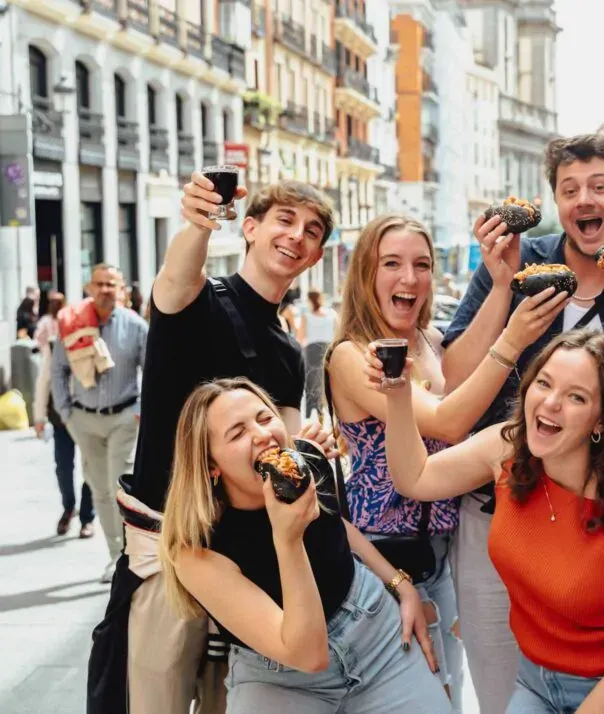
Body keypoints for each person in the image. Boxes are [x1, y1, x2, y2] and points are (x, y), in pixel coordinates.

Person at [439, 133, 604, 712]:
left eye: (599, 187)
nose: (583, 200)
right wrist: (502, 296)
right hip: (502, 508)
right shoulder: (519, 262)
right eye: (569, 190)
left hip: (600, 523)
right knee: (501, 689)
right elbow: (452, 376)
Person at [86, 176, 336, 714]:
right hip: (166, 554)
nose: (296, 236)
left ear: (316, 254)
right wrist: (199, 222)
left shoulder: (290, 353)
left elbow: (283, 450)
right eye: (284, 221)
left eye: (311, 231)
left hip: (242, 566)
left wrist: (309, 448)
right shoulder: (199, 299)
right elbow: (177, 276)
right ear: (249, 227)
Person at [328, 214, 567, 710]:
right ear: (365, 275)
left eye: (422, 265)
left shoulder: (428, 342)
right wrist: (514, 339)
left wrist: (502, 284)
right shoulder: (352, 357)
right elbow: (446, 421)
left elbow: (460, 373)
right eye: (391, 264)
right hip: (376, 558)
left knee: (447, 693)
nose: (409, 278)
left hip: (436, 552)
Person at [379, 330, 604, 713]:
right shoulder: (507, 448)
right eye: (544, 383)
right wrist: (397, 393)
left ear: (601, 421)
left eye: (577, 397)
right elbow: (415, 478)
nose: (551, 403)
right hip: (537, 682)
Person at [158, 378, 450, 713]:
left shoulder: (305, 460)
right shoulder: (197, 550)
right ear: (211, 465)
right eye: (237, 434)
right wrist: (288, 539)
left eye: (265, 418)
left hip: (376, 635)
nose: (262, 435)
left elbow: (336, 527)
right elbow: (308, 655)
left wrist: (399, 584)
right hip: (279, 679)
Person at [51, 264, 148, 580]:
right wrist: (67, 415)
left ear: (121, 290)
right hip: (84, 418)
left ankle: (133, 554)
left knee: (117, 484)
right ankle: (116, 555)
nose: (106, 289)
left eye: (112, 284)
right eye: (100, 284)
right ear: (89, 288)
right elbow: (57, 371)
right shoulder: (71, 323)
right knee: (99, 489)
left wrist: (140, 409)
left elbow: (154, 373)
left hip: (123, 417)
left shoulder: (135, 326)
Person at [33, 290, 95, 538]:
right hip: (61, 418)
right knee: (63, 466)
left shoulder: (92, 340)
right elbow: (43, 381)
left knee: (91, 467)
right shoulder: (55, 345)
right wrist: (38, 417)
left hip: (89, 415)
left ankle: (87, 517)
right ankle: (69, 507)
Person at [296, 288, 337, 417]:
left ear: (309, 300)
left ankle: (310, 413)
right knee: (328, 381)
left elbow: (300, 337)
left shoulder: (306, 316)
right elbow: (338, 333)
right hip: (329, 349)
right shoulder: (332, 314)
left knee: (311, 381)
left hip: (312, 349)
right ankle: (327, 412)